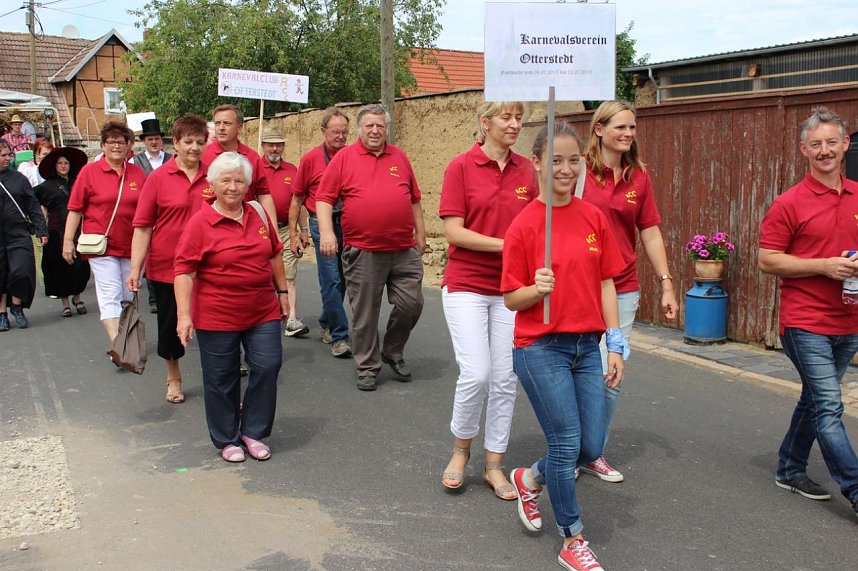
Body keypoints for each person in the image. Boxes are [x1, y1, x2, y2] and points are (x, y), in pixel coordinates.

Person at [503, 122, 626, 571]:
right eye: (555, 160)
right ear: (535, 163)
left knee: (589, 446)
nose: (566, 168)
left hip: (586, 346)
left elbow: (608, 281)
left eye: (574, 160)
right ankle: (572, 538)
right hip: (540, 348)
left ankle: (529, 478)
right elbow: (511, 298)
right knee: (565, 442)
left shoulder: (594, 216)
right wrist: (535, 289)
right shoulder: (524, 226)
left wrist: (615, 341)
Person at [759, 106, 858, 520]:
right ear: (803, 149)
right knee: (830, 408)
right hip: (805, 323)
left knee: (816, 401)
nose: (824, 151)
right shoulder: (789, 203)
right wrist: (823, 265)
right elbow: (767, 259)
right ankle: (855, 488)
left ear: (845, 144)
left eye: (831, 142)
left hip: (849, 321)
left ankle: (789, 467)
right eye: (815, 144)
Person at [438, 101, 537, 499]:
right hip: (465, 284)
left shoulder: (527, 171)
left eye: (519, 118)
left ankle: (494, 465)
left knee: (504, 379)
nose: (515, 124)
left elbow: (537, 223)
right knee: (476, 373)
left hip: (511, 291)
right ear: (485, 122)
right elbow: (455, 233)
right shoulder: (460, 167)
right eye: (506, 118)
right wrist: (509, 245)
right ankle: (460, 451)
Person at [577, 100, 678, 483]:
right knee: (578, 370)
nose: (628, 134)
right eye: (621, 127)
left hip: (622, 288)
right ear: (599, 129)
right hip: (580, 287)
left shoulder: (639, 177)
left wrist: (666, 283)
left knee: (612, 370)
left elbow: (649, 232)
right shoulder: (581, 172)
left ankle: (593, 452)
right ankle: (572, 448)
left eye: (632, 128)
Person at [174, 152, 289, 463]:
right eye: (226, 180)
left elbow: (275, 254)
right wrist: (184, 316)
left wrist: (282, 292)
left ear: (248, 185)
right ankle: (227, 438)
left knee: (267, 366)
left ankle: (253, 431)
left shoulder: (259, 215)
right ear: (213, 184)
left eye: (240, 180)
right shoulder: (201, 222)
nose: (233, 187)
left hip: (262, 309)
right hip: (217, 314)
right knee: (221, 378)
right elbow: (183, 271)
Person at [316, 104, 426, 392]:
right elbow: (324, 199)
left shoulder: (399, 156)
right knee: (365, 313)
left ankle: (392, 350)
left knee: (412, 304)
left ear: (386, 128)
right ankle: (367, 366)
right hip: (363, 249)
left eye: (380, 125)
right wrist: (327, 233)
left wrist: (421, 235)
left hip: (403, 249)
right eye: (370, 126)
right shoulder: (344, 159)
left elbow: (414, 199)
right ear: (360, 129)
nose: (375, 130)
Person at [128, 114, 210, 404]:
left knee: (217, 327)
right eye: (188, 141)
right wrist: (136, 267)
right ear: (174, 143)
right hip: (168, 268)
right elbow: (143, 227)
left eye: (200, 142)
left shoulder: (214, 175)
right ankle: (173, 378)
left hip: (210, 266)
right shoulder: (158, 179)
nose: (194, 148)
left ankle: (218, 383)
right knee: (171, 326)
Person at [63, 121, 146, 347]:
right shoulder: (89, 172)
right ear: (102, 145)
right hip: (101, 246)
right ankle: (119, 346)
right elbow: (75, 208)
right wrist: (68, 241)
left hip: (132, 245)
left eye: (121, 142)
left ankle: (125, 337)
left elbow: (148, 210)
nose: (116, 146)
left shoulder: (138, 174)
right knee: (110, 293)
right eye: (111, 142)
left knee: (127, 296)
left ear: (129, 145)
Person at [289, 107, 352, 358]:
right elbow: (296, 198)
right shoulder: (310, 159)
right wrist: (295, 233)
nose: (340, 136)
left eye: (345, 132)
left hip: (348, 222)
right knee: (331, 278)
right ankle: (339, 336)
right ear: (323, 130)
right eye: (335, 131)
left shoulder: (353, 156)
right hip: (319, 222)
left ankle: (327, 319)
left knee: (345, 277)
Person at [260, 127, 309, 338]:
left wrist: (303, 230)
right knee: (263, 274)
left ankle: (291, 319)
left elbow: (299, 203)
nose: (274, 148)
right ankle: (264, 316)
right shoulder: (255, 169)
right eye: (270, 144)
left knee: (289, 274)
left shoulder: (292, 170)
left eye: (278, 144)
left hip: (286, 228)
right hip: (261, 229)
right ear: (262, 146)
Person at [33, 146, 90, 317]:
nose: (63, 166)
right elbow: (41, 209)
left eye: (66, 163)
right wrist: (41, 230)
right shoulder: (45, 187)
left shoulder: (78, 182)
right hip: (56, 230)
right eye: (60, 163)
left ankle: (78, 298)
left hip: (79, 231)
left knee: (80, 267)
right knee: (60, 268)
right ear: (54, 166)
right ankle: (65, 303)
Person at [0, 141, 48, 331]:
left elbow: (33, 206)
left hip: (18, 233)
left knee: (22, 270)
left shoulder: (19, 178)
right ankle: (2, 313)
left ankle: (17, 307)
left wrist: (41, 230)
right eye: (3, 155)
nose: (7, 158)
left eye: (8, 154)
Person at [202, 104, 276, 223]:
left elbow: (264, 194)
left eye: (227, 123)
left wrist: (274, 232)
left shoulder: (252, 157)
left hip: (246, 225)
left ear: (239, 128)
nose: (221, 128)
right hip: (212, 227)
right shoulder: (202, 156)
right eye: (217, 123)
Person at [131, 118, 173, 314]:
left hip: (167, 213)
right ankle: (154, 296)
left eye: (156, 138)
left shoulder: (171, 159)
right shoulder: (135, 161)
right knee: (149, 256)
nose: (154, 142)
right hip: (147, 211)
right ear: (144, 142)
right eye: (150, 140)